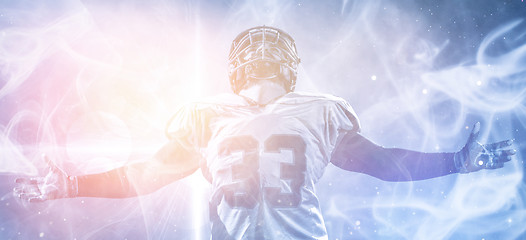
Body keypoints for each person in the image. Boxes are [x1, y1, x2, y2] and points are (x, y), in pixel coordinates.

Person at [14, 26, 515, 240]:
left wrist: (72, 183)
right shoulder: (313, 111)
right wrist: (455, 162)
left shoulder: (216, 114)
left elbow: (146, 177)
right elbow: (384, 165)